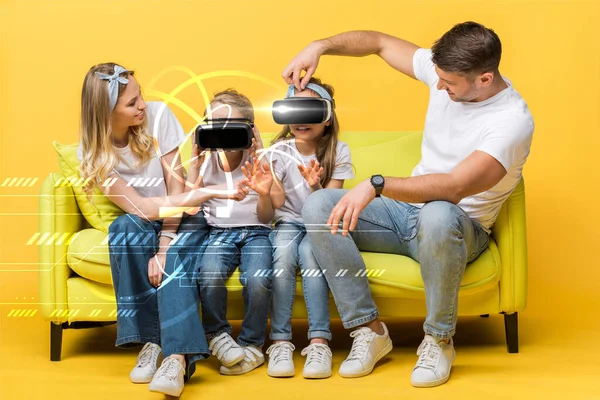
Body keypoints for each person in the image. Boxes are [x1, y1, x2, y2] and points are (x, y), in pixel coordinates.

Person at [283, 22, 534, 387]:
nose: (440, 86)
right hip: (404, 217)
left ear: (484, 78)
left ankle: (438, 340)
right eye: (438, 76)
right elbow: (379, 43)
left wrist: (376, 184)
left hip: (459, 225)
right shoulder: (442, 74)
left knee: (437, 213)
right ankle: (370, 331)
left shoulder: (511, 122)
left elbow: (453, 188)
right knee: (320, 205)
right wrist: (318, 46)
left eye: (449, 82)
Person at [77, 63, 247, 396]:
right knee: (123, 230)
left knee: (176, 254)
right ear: (106, 112)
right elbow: (142, 208)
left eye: (140, 95)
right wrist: (208, 192)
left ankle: (177, 357)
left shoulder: (159, 116)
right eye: (131, 103)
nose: (142, 105)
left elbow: (176, 192)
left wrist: (166, 244)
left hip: (184, 212)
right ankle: (150, 341)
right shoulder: (92, 152)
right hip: (146, 214)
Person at [264, 77, 354, 379]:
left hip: (320, 224)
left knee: (313, 257)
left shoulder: (338, 151)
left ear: (326, 118)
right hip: (287, 222)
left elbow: (328, 208)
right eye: (294, 110)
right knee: (284, 255)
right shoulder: (278, 150)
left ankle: (319, 341)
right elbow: (274, 205)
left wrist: (316, 184)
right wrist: (267, 178)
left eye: (310, 110)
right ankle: (279, 341)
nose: (301, 119)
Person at [193, 90, 274, 377]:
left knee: (259, 278)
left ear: (249, 131)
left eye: (232, 128)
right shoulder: (207, 161)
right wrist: (195, 157)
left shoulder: (261, 162)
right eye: (215, 127)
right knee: (210, 273)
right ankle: (217, 334)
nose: (224, 135)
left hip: (258, 233)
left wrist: (260, 157)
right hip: (219, 234)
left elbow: (267, 216)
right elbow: (189, 207)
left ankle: (252, 343)